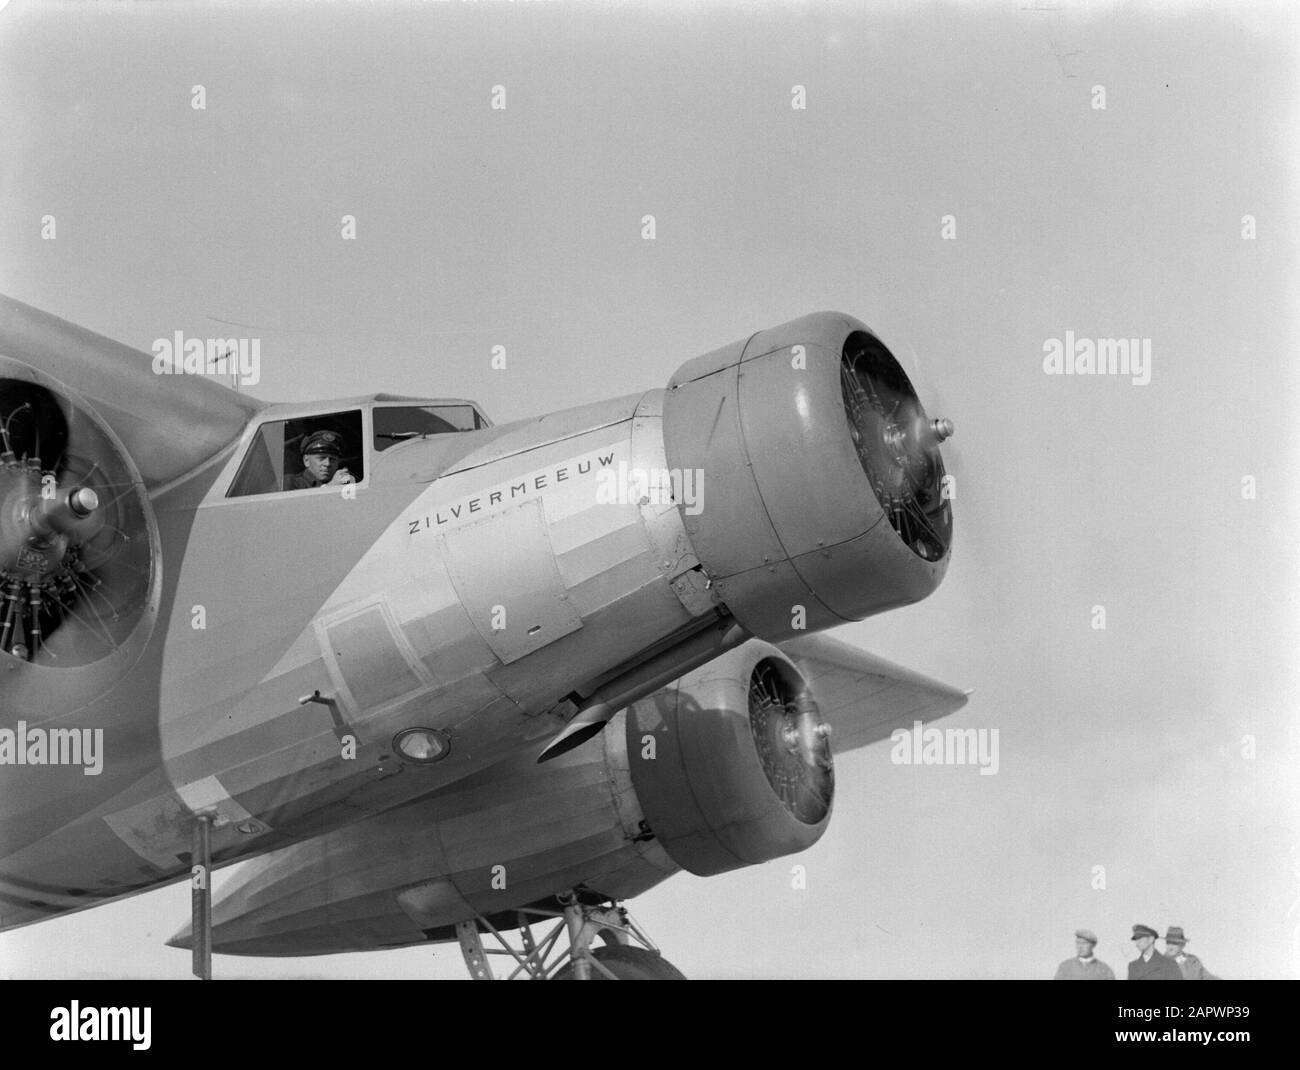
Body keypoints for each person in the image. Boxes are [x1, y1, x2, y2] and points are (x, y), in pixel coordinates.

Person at [286, 430, 356, 490]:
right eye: (321, 458)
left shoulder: (345, 483)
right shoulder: (289, 482)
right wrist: (330, 487)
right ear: (306, 460)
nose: (327, 463)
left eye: (332, 459)